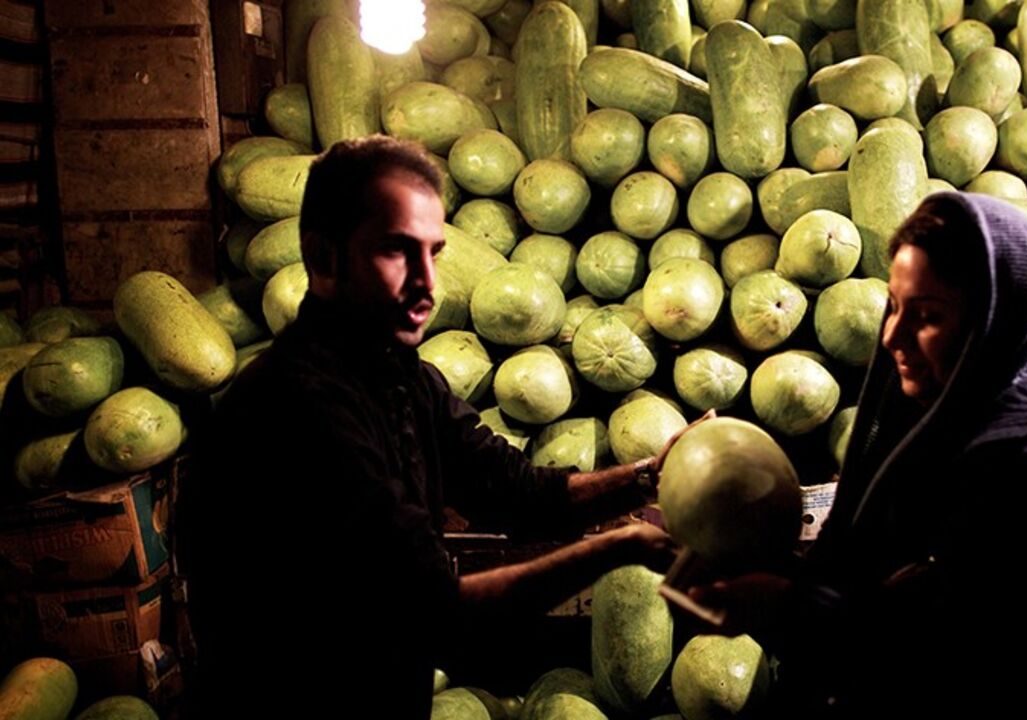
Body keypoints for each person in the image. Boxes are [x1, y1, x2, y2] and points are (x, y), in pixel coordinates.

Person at [179, 136, 670, 718]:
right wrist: (620, 548)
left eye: (434, 252)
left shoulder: (401, 376)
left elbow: (513, 489)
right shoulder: (295, 411)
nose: (427, 283)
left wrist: (646, 478)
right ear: (324, 259)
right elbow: (439, 616)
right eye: (396, 251)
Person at [688, 192, 1027, 717]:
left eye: (928, 315)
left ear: (994, 320)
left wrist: (793, 610)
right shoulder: (932, 430)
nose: (893, 336)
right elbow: (893, 590)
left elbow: (1003, 676)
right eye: (894, 306)